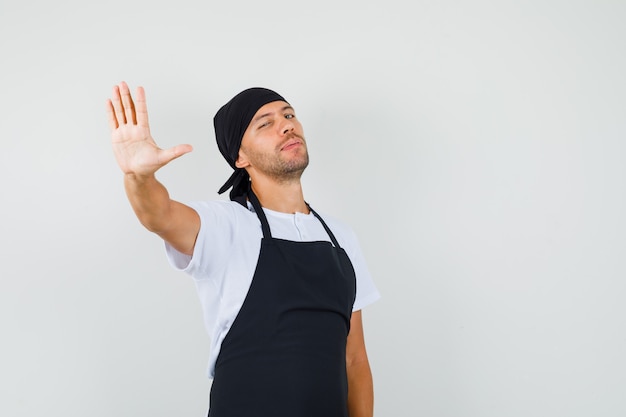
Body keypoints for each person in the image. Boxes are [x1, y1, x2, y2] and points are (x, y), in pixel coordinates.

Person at [106, 81, 380, 417]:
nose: (287, 125)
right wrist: (138, 176)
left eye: (289, 115)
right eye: (265, 123)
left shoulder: (341, 237)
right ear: (240, 156)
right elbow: (157, 214)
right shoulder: (225, 225)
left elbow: (354, 360)